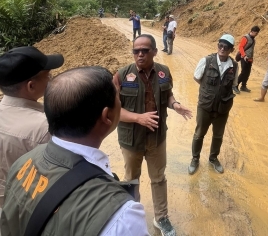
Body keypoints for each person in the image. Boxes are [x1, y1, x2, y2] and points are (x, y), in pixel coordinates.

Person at [1, 66, 149, 235]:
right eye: (117, 96)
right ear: (106, 116)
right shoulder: (122, 218)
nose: (120, 101)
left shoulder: (22, 162)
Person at [113, 34, 192, 236]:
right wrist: (139, 118)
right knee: (132, 179)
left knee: (158, 178)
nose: (140, 54)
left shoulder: (164, 72)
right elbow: (115, 111)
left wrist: (175, 105)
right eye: (136, 51)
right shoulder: (122, 75)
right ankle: (132, 216)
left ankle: (161, 218)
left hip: (157, 139)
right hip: (131, 140)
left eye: (145, 50)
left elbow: (167, 95)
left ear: (154, 52)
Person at [0, 46, 64, 211]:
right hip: (31, 212)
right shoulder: (43, 128)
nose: (51, 79)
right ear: (31, 86)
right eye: (48, 75)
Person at [188, 34, 238, 175]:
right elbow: (197, 78)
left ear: (231, 49)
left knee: (218, 135)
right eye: (220, 45)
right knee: (199, 134)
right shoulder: (206, 60)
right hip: (205, 106)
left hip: (223, 108)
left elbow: (234, 84)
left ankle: (213, 158)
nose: (222, 49)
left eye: (226, 47)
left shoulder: (234, 66)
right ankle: (195, 159)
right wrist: (210, 92)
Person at [233, 25, 260, 94]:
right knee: (243, 72)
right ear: (252, 31)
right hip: (244, 58)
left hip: (250, 59)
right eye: (256, 33)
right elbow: (241, 47)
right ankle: (235, 85)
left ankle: (243, 86)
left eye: (257, 33)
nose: (256, 35)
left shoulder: (253, 39)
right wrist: (244, 55)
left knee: (247, 73)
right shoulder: (245, 38)